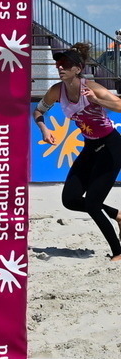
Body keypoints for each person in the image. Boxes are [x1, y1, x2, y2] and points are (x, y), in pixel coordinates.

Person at [34, 43, 121, 261]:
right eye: (58, 63)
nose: (60, 67)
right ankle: (118, 215)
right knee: (70, 199)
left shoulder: (91, 87)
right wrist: (44, 128)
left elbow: (119, 105)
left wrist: (96, 100)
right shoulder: (57, 90)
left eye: (66, 64)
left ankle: (119, 251)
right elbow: (38, 110)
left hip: (111, 147)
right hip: (90, 147)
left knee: (92, 203)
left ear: (78, 68)